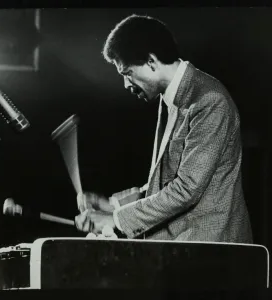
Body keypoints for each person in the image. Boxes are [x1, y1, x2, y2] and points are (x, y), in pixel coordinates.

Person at [75, 14, 253, 243]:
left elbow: (187, 189)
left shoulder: (209, 101)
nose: (126, 85)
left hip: (211, 249)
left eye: (127, 73)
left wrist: (116, 220)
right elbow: (166, 180)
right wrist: (111, 205)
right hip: (183, 247)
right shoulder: (170, 98)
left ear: (151, 61)